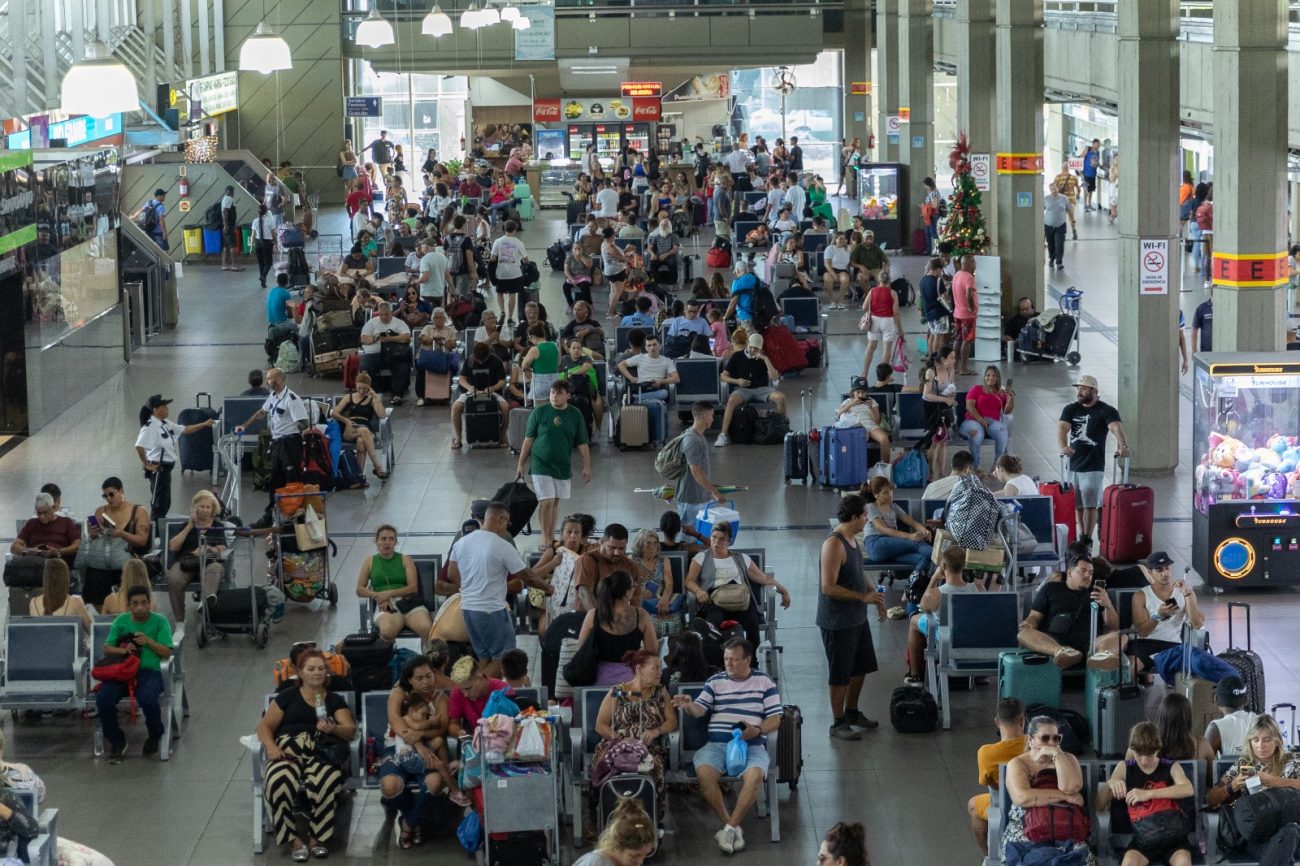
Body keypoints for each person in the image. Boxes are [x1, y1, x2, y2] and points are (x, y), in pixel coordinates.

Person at [671, 638, 782, 854]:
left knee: (755, 777)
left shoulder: (764, 681)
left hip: (752, 744)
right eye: (726, 659)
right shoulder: (714, 682)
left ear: (748, 659)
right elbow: (700, 710)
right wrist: (688, 705)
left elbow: (776, 718)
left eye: (734, 659)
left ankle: (729, 829)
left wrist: (757, 730)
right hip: (717, 745)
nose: (728, 663)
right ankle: (732, 826)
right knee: (704, 774)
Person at [256, 648, 357, 861]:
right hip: (288, 749)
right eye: (311, 669)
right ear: (300, 673)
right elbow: (264, 726)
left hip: (321, 749)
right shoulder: (287, 696)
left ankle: (317, 838)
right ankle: (293, 839)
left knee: (328, 781)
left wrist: (334, 729)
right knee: (278, 782)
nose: (317, 673)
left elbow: (349, 729)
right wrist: (271, 747)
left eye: (321, 668)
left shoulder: (334, 700)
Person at [380, 657, 467, 849]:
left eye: (429, 676)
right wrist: (418, 743)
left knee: (434, 783)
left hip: (432, 747)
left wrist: (420, 734)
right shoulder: (399, 693)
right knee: (389, 786)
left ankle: (409, 823)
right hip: (397, 746)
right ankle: (414, 815)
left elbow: (442, 728)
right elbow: (396, 721)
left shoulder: (440, 698)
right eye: (419, 678)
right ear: (409, 680)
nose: (426, 682)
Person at [819, 494, 887, 740]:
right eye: (865, 515)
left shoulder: (853, 540)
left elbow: (858, 573)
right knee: (840, 673)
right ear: (855, 516)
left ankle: (852, 712)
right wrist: (862, 598)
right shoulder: (834, 544)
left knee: (861, 667)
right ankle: (837, 723)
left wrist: (873, 596)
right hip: (838, 621)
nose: (867, 519)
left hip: (856, 619)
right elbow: (828, 586)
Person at [446, 503, 536, 676]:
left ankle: (478, 698)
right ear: (501, 519)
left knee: (484, 657)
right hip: (491, 610)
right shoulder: (502, 545)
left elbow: (451, 573)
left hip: (468, 609)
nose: (507, 528)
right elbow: (527, 577)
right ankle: (472, 689)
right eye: (507, 523)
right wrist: (550, 588)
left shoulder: (462, 541)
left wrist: (467, 589)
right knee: (504, 656)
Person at [590, 649, 676, 828]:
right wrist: (621, 741)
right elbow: (600, 725)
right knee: (606, 768)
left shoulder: (660, 692)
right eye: (655, 668)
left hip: (647, 748)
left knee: (653, 769)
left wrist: (656, 731)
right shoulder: (618, 692)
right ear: (639, 669)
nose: (660, 672)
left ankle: (650, 822)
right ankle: (603, 821)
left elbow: (672, 722)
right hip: (616, 746)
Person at [1099, 721, 1196, 866]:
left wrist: (1148, 794)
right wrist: (1109, 784)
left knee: (1183, 863)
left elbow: (1188, 788)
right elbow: (1099, 805)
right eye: (1139, 754)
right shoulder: (1124, 768)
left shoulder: (1170, 766)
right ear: (1132, 750)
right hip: (1143, 840)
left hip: (1173, 838)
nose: (1144, 761)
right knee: (1129, 863)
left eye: (1150, 755)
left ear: (1157, 749)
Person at [684, 522, 790, 650]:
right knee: (714, 617)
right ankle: (714, 643)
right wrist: (698, 590)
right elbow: (689, 581)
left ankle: (751, 659)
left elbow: (764, 578)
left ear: (729, 541)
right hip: (715, 599)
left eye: (721, 539)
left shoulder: (741, 558)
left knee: (752, 622)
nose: (716, 542)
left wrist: (783, 591)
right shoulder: (701, 558)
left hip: (740, 600)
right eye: (713, 537)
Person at [1002, 715, 1091, 865]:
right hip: (1026, 825)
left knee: (1081, 860)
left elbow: (1070, 787)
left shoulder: (1068, 759)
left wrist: (1057, 755)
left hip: (1065, 822)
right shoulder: (1018, 764)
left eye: (1056, 739)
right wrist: (1066, 797)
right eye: (1045, 738)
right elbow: (1023, 797)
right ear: (1030, 739)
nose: (1051, 743)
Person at [98, 584, 173, 763]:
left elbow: (167, 652)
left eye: (144, 603)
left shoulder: (160, 622)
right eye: (135, 603)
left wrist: (148, 641)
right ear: (129, 605)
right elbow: (107, 648)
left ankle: (155, 734)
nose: (140, 607)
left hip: (150, 671)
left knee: (147, 698)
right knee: (103, 699)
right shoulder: (121, 622)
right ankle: (117, 740)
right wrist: (124, 650)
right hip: (123, 672)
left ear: (149, 603)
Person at [516, 379, 592, 546]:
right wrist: (521, 464)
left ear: (568, 396)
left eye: (559, 393)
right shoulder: (539, 412)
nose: (554, 396)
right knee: (546, 500)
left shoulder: (575, 414)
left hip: (562, 465)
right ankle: (545, 539)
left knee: (556, 501)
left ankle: (551, 536)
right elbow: (528, 440)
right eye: (552, 392)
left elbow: (582, 443)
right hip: (540, 463)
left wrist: (587, 466)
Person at [1058, 374, 1130, 543]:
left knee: (1090, 504)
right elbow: (1062, 428)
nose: (1079, 392)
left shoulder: (1105, 410)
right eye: (1078, 389)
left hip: (1093, 465)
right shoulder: (1071, 409)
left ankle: (1087, 538)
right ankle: (1081, 533)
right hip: (1073, 464)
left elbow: (1115, 428)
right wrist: (1063, 446)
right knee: (1078, 504)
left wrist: (1123, 446)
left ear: (1094, 391)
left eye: (1083, 389)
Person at [235, 368, 309, 524]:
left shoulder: (292, 399)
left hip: (290, 443)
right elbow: (262, 412)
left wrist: (293, 437)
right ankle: (271, 515)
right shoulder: (273, 396)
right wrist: (245, 425)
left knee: (292, 481)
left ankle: (294, 517)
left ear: (279, 380)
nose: (266, 382)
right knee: (275, 481)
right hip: (277, 443)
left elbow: (303, 423)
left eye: (269, 379)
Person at [1018, 553, 1118, 668]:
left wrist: (1108, 605)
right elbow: (1035, 616)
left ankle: (1100, 657)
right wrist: (1029, 623)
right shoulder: (1051, 589)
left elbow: (1113, 627)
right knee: (1024, 634)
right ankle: (1063, 652)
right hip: (1055, 641)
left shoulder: (1097, 594)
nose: (1088, 575)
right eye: (1083, 570)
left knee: (1120, 636)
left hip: (1091, 643)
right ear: (1070, 572)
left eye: (1090, 573)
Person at [905, 546, 982, 686]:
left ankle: (915, 675)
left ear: (943, 565)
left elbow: (923, 605)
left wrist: (934, 577)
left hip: (947, 639)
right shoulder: (976, 589)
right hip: (970, 639)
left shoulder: (937, 593)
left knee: (914, 621)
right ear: (965, 565)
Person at [1116, 550, 1204, 671]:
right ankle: (1129, 688)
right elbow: (1142, 632)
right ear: (1150, 573)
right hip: (1145, 644)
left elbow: (1197, 624)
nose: (1165, 573)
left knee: (1194, 664)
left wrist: (1187, 594)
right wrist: (1158, 616)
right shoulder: (1141, 595)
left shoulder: (1185, 592)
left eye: (1167, 568)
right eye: (1159, 570)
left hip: (1172, 645)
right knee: (1131, 669)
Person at [134, 393, 217, 522]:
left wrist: (204, 424)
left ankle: (160, 528)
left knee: (165, 502)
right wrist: (146, 464)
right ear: (155, 410)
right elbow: (139, 446)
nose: (168, 409)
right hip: (158, 470)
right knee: (159, 504)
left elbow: (185, 429)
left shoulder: (165, 423)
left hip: (166, 470)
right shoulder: (150, 427)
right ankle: (155, 532)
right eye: (165, 407)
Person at [968, 699, 1028, 858]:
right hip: (1035, 804)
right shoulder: (1035, 746)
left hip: (1005, 807)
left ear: (996, 721)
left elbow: (986, 782)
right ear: (1022, 720)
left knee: (974, 805)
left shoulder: (986, 753)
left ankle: (988, 855)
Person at [79, 476, 152, 607]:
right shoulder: (101, 511)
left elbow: (142, 541)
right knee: (93, 576)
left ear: (121, 491)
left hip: (131, 558)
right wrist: (93, 534)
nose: (108, 499)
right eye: (105, 496)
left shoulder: (139, 512)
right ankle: (101, 613)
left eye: (112, 494)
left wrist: (123, 534)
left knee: (130, 572)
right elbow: (94, 539)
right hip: (106, 560)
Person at [578, 571, 658, 686]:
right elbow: (652, 651)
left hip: (597, 680)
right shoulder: (641, 616)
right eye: (633, 586)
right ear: (626, 593)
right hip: (631, 680)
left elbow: (582, 647)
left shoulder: (593, 614)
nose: (634, 589)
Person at [357, 525, 433, 643]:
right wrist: (377, 596)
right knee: (387, 631)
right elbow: (360, 589)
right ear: (376, 541)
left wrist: (388, 593)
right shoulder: (370, 561)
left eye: (391, 539)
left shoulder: (405, 559)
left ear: (395, 542)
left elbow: (413, 588)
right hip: (386, 605)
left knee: (427, 629)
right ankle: (390, 656)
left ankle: (428, 659)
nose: (387, 542)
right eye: (383, 539)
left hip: (408, 603)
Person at [166, 489, 231, 621]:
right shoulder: (186, 525)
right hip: (187, 562)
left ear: (213, 509)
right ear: (195, 508)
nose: (206, 510)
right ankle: (179, 620)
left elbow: (223, 548)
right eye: (202, 506)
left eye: (208, 507)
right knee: (174, 579)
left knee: (216, 568)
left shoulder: (218, 526)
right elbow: (173, 546)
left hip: (209, 563)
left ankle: (205, 604)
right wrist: (190, 526)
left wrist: (209, 549)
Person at [715, 331, 787, 447]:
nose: (753, 351)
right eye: (752, 347)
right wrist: (737, 381)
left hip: (762, 389)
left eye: (756, 349)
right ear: (747, 343)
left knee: (781, 398)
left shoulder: (763, 358)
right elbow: (723, 376)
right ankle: (723, 434)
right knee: (732, 401)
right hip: (743, 389)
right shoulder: (737, 356)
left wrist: (765, 359)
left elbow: (774, 377)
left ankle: (780, 428)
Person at [862, 476, 933, 575]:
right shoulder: (871, 507)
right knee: (917, 543)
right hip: (876, 544)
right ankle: (947, 558)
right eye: (885, 492)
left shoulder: (894, 507)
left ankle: (912, 587)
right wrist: (909, 536)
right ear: (876, 495)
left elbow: (912, 522)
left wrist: (924, 530)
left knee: (924, 558)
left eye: (890, 490)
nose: (890, 494)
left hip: (892, 548)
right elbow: (883, 529)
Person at [532, 515, 593, 632]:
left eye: (577, 532)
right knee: (546, 630)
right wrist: (553, 564)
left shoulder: (587, 553)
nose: (573, 536)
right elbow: (532, 575)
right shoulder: (553, 552)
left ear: (581, 535)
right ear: (562, 534)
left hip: (579, 605)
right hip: (555, 603)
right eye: (569, 532)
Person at [330, 372, 389, 481]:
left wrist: (376, 398)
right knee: (364, 430)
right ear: (356, 385)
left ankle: (359, 476)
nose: (362, 391)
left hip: (365, 426)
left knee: (361, 441)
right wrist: (346, 420)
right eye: (359, 388)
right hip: (351, 427)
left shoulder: (371, 399)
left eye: (365, 389)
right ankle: (377, 466)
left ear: (369, 388)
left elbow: (382, 415)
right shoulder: (349, 397)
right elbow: (334, 413)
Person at [572, 795, 657, 866]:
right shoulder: (596, 862)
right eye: (634, 856)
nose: (640, 862)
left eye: (644, 856)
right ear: (617, 846)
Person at [1149, 692, 1215, 780]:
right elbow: (1213, 781)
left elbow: (1128, 774)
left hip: (1156, 793)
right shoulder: (1202, 745)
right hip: (1194, 793)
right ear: (1188, 718)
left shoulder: (1145, 743)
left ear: (1161, 716)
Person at [959, 366, 1014, 470]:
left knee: (1003, 433)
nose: (991, 378)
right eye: (988, 375)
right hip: (973, 420)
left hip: (992, 422)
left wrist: (1010, 398)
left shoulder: (1000, 392)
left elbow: (1007, 410)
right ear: (984, 377)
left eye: (994, 375)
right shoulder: (976, 389)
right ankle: (976, 467)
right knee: (977, 434)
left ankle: (995, 468)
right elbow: (969, 406)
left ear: (998, 378)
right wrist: (981, 420)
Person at [359, 302, 412, 406]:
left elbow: (406, 337)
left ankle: (397, 395)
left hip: (394, 355)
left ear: (391, 313)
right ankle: (372, 393)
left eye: (386, 314)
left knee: (402, 367)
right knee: (365, 366)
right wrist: (376, 338)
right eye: (381, 314)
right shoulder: (372, 323)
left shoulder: (399, 323)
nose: (384, 317)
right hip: (374, 354)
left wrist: (390, 339)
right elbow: (364, 339)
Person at [446, 656, 511, 737]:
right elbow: (453, 725)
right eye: (462, 690)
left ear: (479, 677)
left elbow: (514, 727)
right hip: (472, 740)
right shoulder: (457, 691)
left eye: (468, 688)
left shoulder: (503, 690)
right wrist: (460, 733)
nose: (465, 694)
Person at [860, 263, 903, 375]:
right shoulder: (892, 293)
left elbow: (864, 307)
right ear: (889, 280)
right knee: (887, 349)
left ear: (878, 280)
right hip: (888, 322)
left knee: (870, 347)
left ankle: (864, 373)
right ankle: (883, 376)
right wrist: (900, 330)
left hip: (874, 320)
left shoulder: (872, 291)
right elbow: (896, 313)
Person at [29, 559, 92, 631]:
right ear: (66, 577)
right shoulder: (75, 602)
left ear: (45, 577)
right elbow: (93, 630)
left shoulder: (33, 602)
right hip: (69, 642)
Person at [1205, 676, 1258, 757]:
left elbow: (1204, 765)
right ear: (1246, 699)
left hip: (1231, 770)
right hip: (1259, 769)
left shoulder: (1215, 728)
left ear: (1215, 699)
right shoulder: (1261, 721)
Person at [834, 381, 892, 453]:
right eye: (858, 392)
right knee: (862, 438)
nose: (861, 395)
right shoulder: (847, 401)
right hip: (858, 426)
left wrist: (871, 408)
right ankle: (861, 462)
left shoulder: (872, 401)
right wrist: (850, 404)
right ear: (853, 392)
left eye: (863, 392)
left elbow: (876, 421)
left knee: (884, 438)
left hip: (871, 425)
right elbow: (838, 415)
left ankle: (886, 463)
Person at [489, 220, 529, 323]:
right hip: (515, 273)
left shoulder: (498, 241)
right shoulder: (518, 242)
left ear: (504, 229)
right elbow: (526, 260)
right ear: (515, 230)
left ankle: (502, 311)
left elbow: (493, 258)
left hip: (501, 273)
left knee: (500, 293)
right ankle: (510, 318)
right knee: (512, 294)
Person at [951, 255, 978, 375]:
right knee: (967, 341)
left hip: (957, 313)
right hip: (967, 315)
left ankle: (955, 366)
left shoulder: (957, 275)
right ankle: (963, 368)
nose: (975, 264)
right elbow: (969, 294)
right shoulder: (969, 277)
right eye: (973, 262)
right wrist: (971, 308)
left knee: (958, 339)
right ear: (967, 263)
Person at [1044, 182, 1069, 270]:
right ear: (1050, 190)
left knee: (1059, 244)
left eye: (1054, 189)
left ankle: (1059, 262)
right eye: (1051, 189)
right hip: (1048, 225)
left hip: (1061, 225)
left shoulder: (1064, 198)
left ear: (1057, 188)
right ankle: (1052, 258)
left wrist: (1073, 222)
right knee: (1051, 244)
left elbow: (1069, 210)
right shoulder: (1046, 199)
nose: (1053, 191)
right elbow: (1040, 210)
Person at [1053, 160, 1081, 239]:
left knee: (1060, 217)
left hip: (1060, 201)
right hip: (1071, 200)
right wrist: (1078, 194)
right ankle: (1074, 230)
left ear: (1062, 168)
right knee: (1071, 217)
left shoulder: (1058, 177)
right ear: (1068, 168)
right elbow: (1078, 189)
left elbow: (1053, 189)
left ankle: (1061, 234)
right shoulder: (1073, 177)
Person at [219, 185, 244, 272]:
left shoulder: (224, 198)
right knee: (233, 245)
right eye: (233, 192)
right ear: (231, 192)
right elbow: (225, 212)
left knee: (226, 246)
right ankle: (234, 265)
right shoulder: (229, 199)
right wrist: (226, 225)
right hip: (229, 226)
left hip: (227, 226)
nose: (234, 193)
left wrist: (225, 225)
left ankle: (225, 265)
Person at [1191, 287, 1213, 355]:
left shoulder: (1224, 308)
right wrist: (1194, 349)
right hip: (1206, 351)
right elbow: (1194, 329)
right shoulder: (1202, 308)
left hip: (1222, 351)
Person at [1080, 138, 1101, 211]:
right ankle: (1085, 205)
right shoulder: (1088, 150)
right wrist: (1080, 172)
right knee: (1086, 189)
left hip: (1093, 173)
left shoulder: (1098, 152)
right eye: (1098, 144)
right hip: (1086, 173)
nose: (1099, 146)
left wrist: (1098, 164)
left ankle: (1089, 204)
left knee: (1091, 190)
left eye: (1099, 144)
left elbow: (1097, 161)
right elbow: (1080, 158)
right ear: (1093, 144)